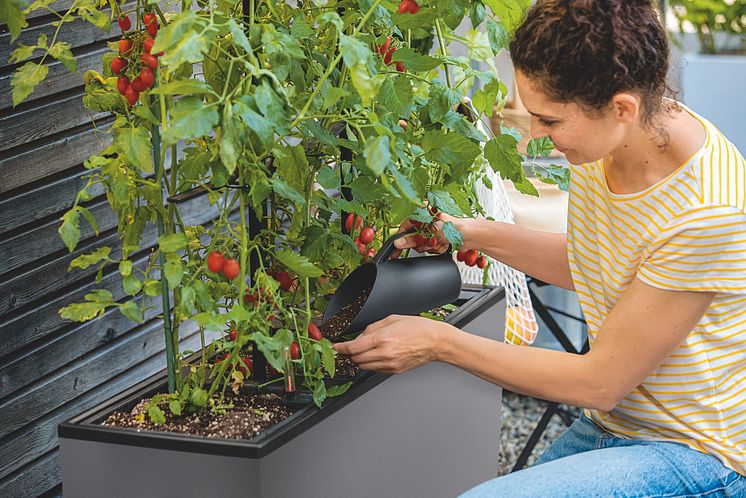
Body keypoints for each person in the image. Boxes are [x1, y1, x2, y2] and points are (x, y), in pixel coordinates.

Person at [334, 0, 746, 495]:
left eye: (549, 122)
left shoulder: (708, 211)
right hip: (616, 423)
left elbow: (598, 381)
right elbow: (598, 265)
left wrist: (438, 341)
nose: (535, 137)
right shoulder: (617, 138)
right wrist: (470, 232)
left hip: (697, 453)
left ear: (621, 107)